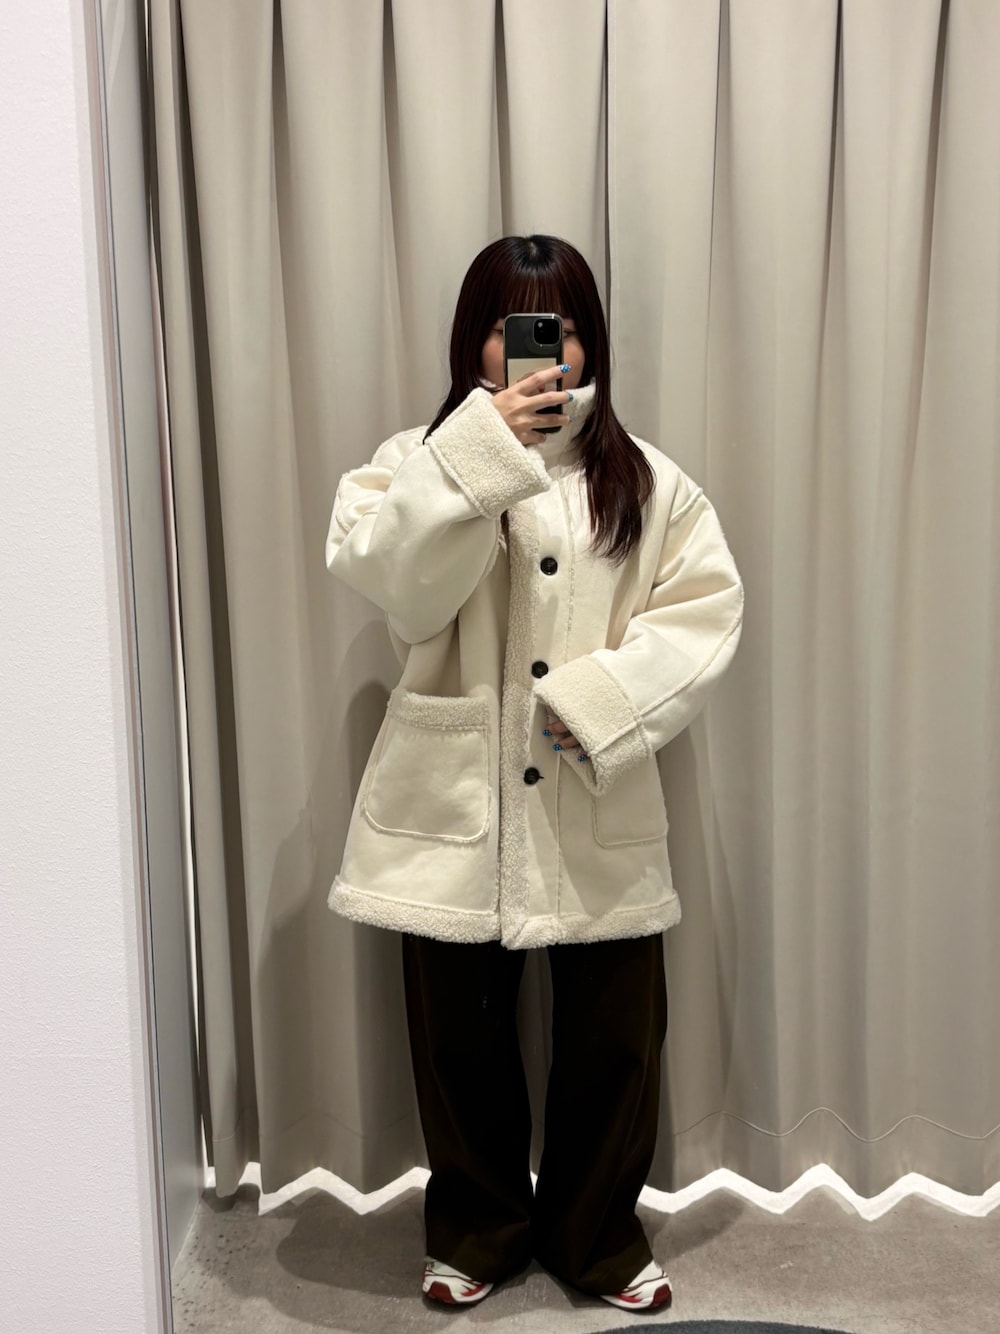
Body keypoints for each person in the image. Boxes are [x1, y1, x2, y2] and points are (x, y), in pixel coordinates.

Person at [324, 234, 743, 1311]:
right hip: (451, 805)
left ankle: (597, 1234)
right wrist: (475, 462)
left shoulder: (648, 481)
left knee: (616, 1037)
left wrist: (599, 705)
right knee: (457, 1038)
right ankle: (476, 1231)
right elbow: (400, 589)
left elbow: (704, 612)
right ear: (475, 341)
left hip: (593, 792)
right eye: (513, 326)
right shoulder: (412, 464)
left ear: (590, 340)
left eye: (561, 327)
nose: (541, 351)